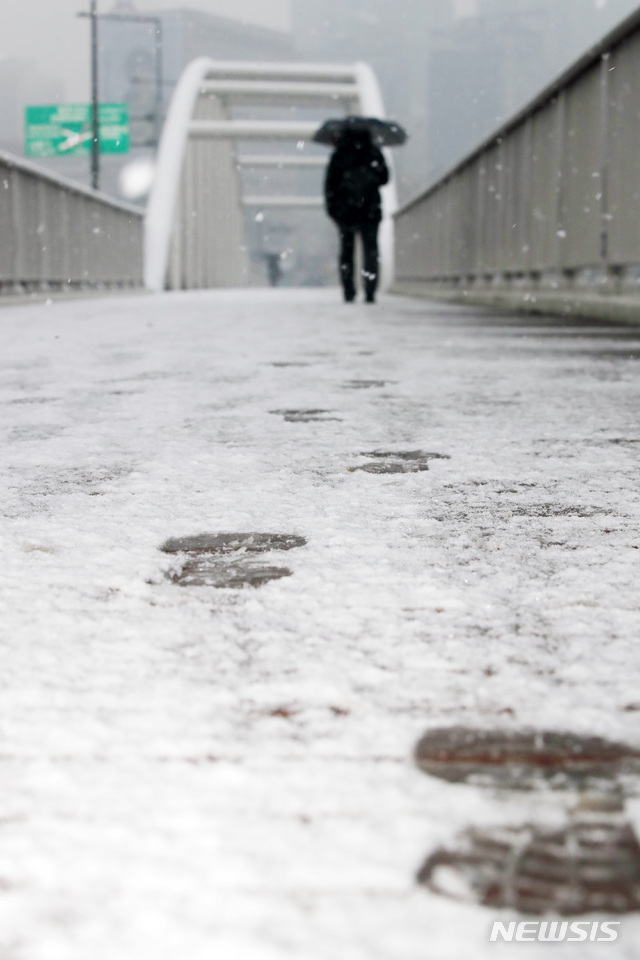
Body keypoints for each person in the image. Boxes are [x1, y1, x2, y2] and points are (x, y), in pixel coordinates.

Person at [324, 127, 389, 303]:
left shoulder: (339, 154)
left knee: (347, 252)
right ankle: (370, 290)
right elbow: (385, 178)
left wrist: (333, 210)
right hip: (370, 210)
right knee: (371, 251)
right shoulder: (373, 151)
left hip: (346, 212)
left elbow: (330, 185)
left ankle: (349, 291)